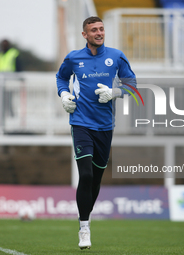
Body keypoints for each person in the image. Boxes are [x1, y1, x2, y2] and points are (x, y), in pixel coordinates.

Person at [56, 16, 136, 249]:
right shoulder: (73, 58)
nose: (99, 33)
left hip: (105, 126)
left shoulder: (116, 56)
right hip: (80, 122)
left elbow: (132, 86)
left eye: (101, 29)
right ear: (85, 35)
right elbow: (61, 77)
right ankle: (84, 228)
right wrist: (64, 95)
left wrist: (115, 93)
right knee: (87, 175)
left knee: (96, 179)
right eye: (94, 30)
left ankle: (85, 217)